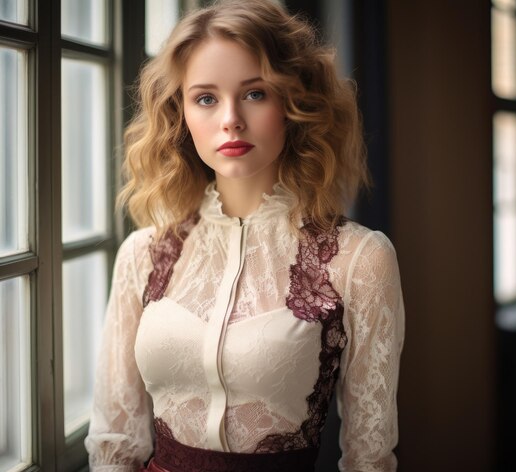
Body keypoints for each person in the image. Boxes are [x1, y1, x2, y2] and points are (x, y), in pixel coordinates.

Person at [85, 0, 404, 471]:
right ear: (181, 113)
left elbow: (369, 457)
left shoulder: (359, 259)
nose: (230, 118)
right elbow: (115, 438)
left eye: (255, 94)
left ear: (294, 104)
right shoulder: (144, 255)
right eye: (206, 98)